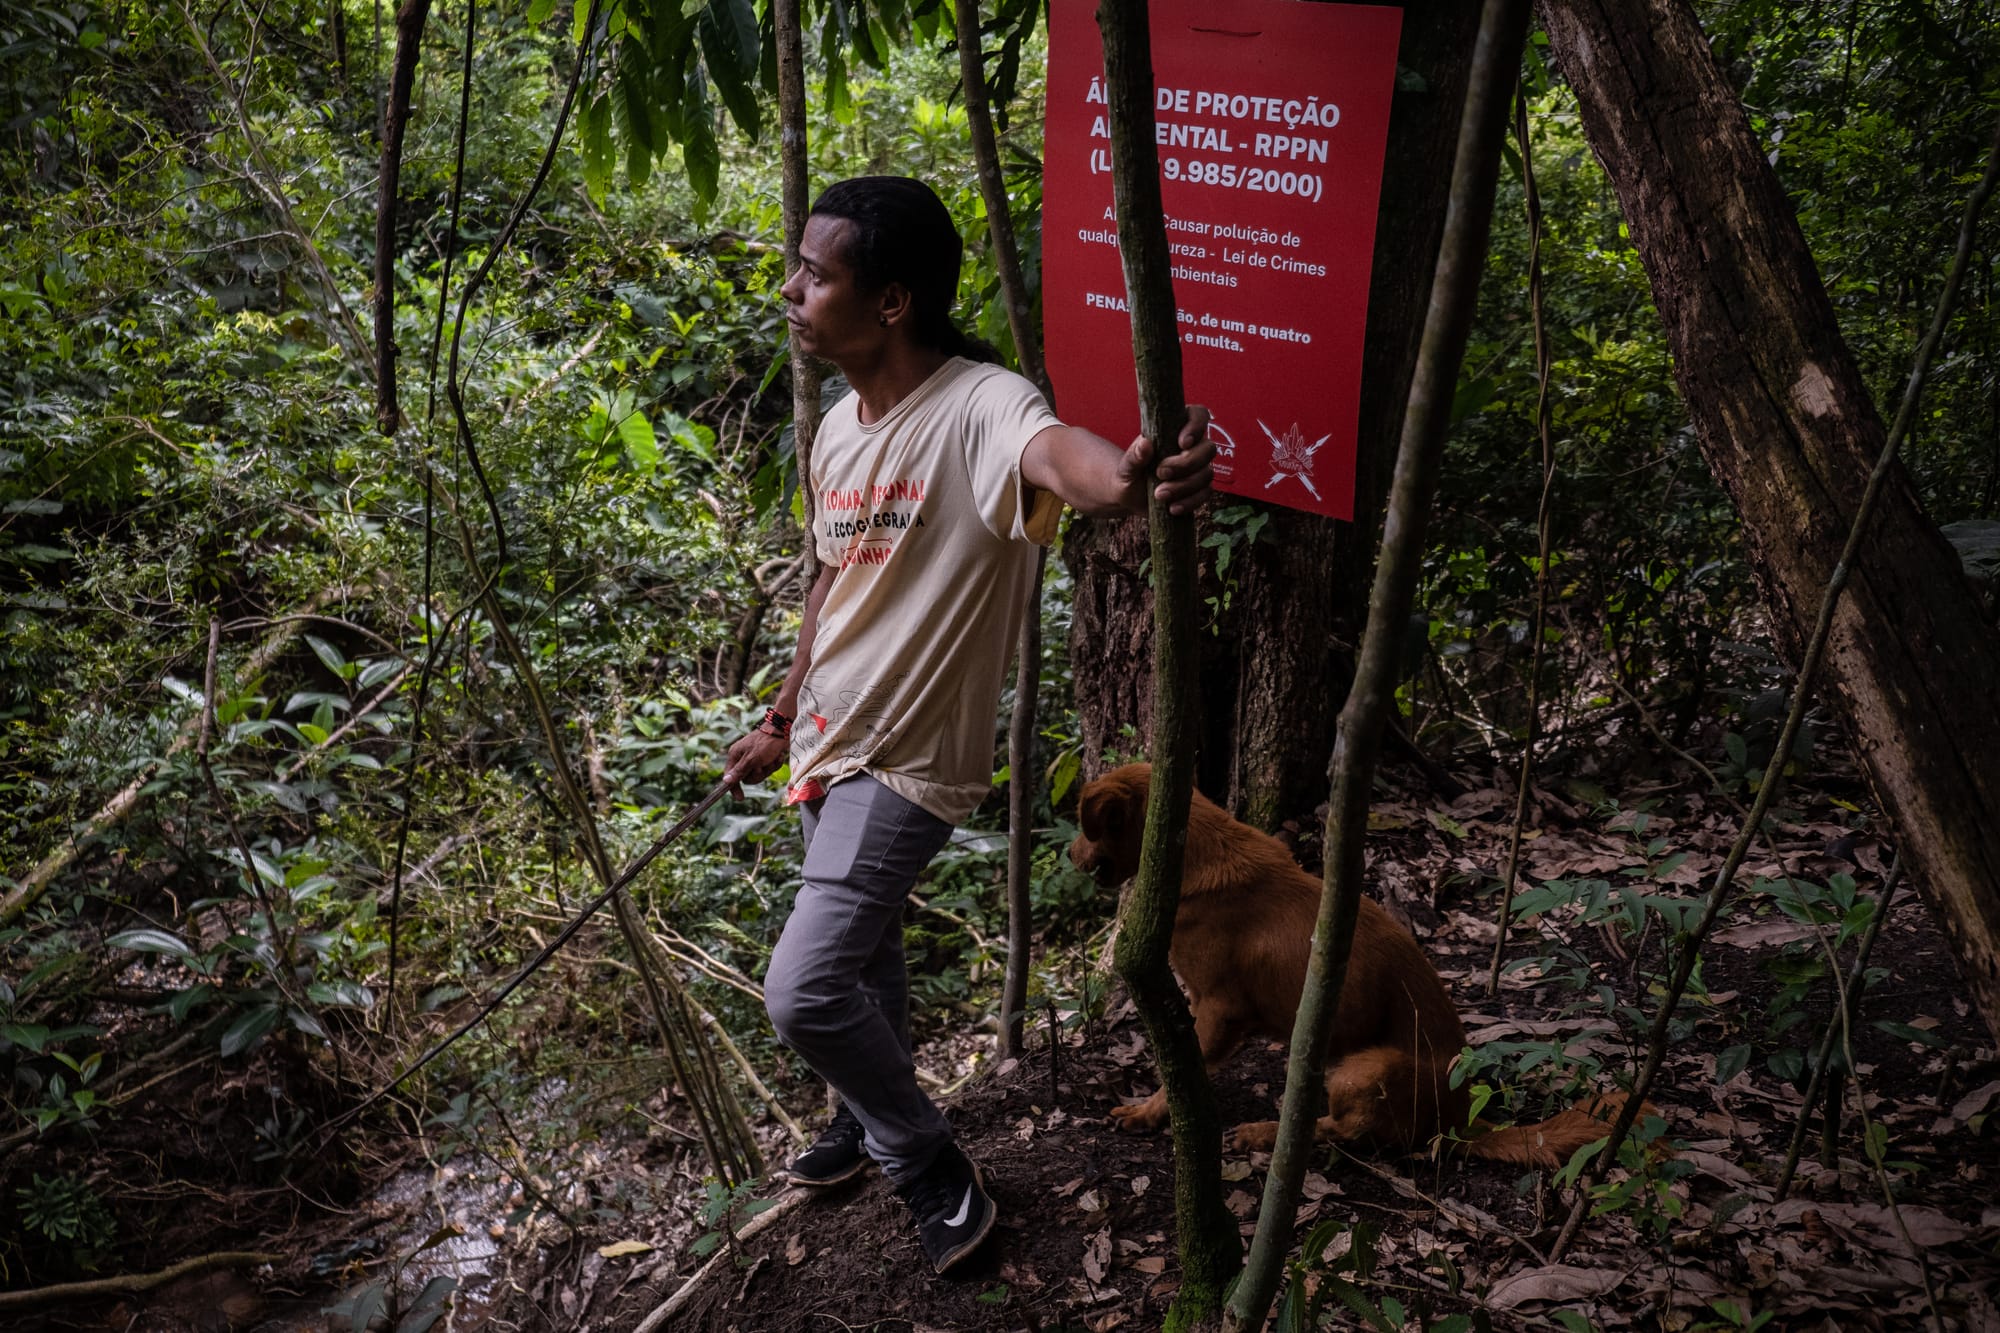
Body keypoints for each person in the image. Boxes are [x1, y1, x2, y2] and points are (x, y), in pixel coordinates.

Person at [721, 175, 1214, 1275]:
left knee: (803, 990)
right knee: (869, 971)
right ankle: (860, 1117)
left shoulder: (980, 403)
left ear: (891, 300)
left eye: (817, 273)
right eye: (796, 268)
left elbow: (1057, 457)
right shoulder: (841, 430)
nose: (792, 291)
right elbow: (827, 582)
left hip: (906, 764)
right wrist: (780, 714)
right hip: (826, 744)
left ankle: (924, 1158)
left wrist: (1129, 479)